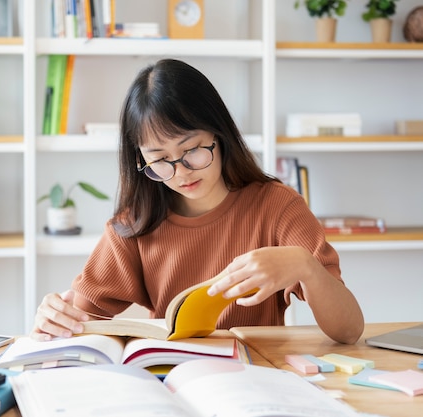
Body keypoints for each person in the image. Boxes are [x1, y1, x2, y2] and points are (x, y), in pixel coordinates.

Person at [32, 59, 364, 344]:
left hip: (256, 382)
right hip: (172, 379)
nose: (180, 172)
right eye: (160, 159)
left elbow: (348, 331)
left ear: (219, 135)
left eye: (191, 150)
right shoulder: (136, 223)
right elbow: (80, 316)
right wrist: (53, 315)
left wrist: (305, 266)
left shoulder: (276, 206)